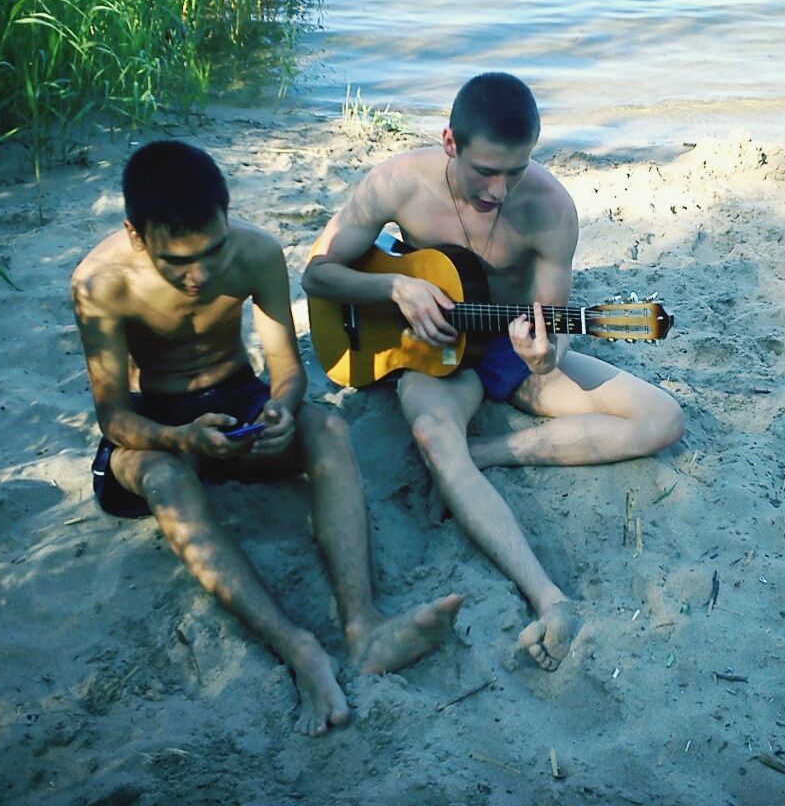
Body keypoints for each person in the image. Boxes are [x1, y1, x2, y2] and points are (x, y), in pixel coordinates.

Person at [71, 140, 462, 737]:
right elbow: (114, 420)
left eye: (211, 250)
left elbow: (284, 369)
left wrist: (280, 409)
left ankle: (364, 626)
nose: (198, 275)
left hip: (237, 399)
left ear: (227, 219)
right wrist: (181, 438)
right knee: (163, 477)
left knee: (328, 426)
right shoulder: (99, 284)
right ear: (135, 234)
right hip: (158, 421)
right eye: (177, 263)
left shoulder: (256, 252)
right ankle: (297, 647)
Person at [302, 73, 685, 672]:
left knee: (662, 418)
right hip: (433, 357)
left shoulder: (551, 209)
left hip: (507, 347)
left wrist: (546, 356)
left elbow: (551, 325)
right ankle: (548, 597)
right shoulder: (398, 182)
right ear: (450, 141)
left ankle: (487, 455)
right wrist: (396, 285)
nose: (499, 189)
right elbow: (317, 276)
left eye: (516, 170)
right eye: (485, 170)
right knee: (433, 433)